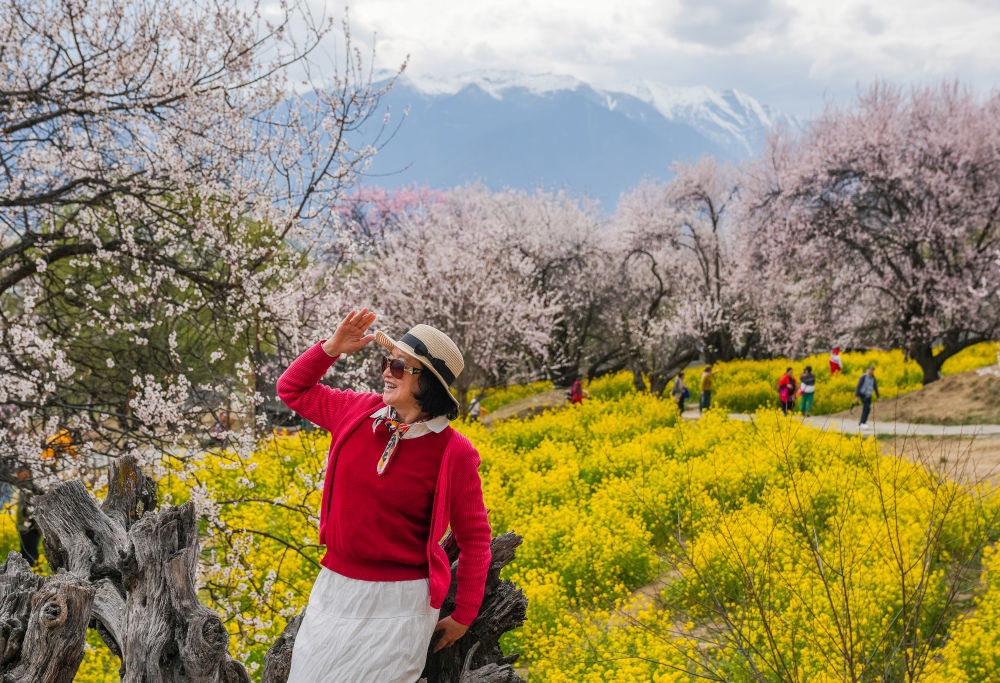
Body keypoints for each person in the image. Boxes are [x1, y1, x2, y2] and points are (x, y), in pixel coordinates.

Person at [276, 308, 492, 682]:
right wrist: (331, 348)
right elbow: (291, 388)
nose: (387, 373)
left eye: (400, 366)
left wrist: (464, 614)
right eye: (387, 362)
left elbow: (475, 538)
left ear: (429, 383)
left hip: (401, 604)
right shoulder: (355, 412)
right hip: (335, 588)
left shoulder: (453, 452)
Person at [855, 364, 880, 429]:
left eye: (872, 370)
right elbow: (858, 387)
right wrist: (857, 397)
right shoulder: (863, 377)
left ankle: (862, 422)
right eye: (870, 369)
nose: (871, 371)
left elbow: (875, 387)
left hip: (869, 396)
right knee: (866, 408)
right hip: (863, 395)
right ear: (867, 370)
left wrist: (878, 397)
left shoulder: (873, 378)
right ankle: (862, 423)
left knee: (867, 409)